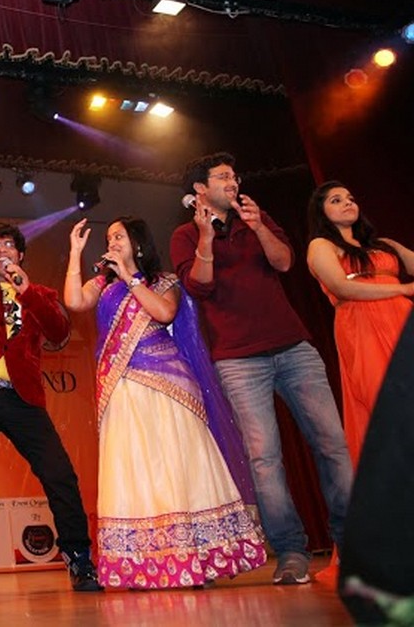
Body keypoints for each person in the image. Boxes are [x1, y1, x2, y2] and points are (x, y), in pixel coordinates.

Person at [170, 152, 353, 586]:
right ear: (200, 188)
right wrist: (205, 238)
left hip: (294, 348)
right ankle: (291, 551)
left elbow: (284, 262)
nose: (233, 181)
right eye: (223, 176)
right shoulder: (184, 234)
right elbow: (199, 285)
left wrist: (257, 227)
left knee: (332, 444)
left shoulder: (257, 217)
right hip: (238, 359)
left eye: (235, 175)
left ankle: (352, 542)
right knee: (265, 458)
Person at [64, 216, 266, 589]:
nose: (112, 242)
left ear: (138, 243)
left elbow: (163, 313)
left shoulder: (164, 281)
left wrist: (130, 278)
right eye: (108, 238)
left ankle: (194, 556)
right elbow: (75, 302)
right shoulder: (103, 284)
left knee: (173, 464)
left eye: (119, 236)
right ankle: (145, 562)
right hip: (122, 387)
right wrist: (75, 253)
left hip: (167, 386)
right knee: (134, 467)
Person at [0, 159, 101, 598]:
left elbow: (59, 331)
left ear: (21, 255)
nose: (2, 252)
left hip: (22, 396)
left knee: (59, 475)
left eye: (9, 246)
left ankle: (79, 559)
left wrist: (26, 289)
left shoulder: (39, 293)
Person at [306, 181, 414, 465]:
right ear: (321, 212)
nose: (347, 203)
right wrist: (402, 289)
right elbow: (341, 288)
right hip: (362, 327)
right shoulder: (321, 246)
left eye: (350, 198)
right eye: (336, 200)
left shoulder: (383, 245)